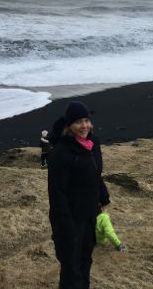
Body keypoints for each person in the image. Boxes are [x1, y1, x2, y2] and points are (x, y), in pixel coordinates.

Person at [47, 101, 110, 289]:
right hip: (71, 219)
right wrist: (66, 226)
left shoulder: (93, 144)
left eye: (86, 120)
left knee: (85, 260)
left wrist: (103, 195)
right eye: (78, 122)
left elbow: (95, 174)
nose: (84, 126)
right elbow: (57, 194)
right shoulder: (61, 152)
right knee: (71, 267)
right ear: (69, 125)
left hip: (90, 214)